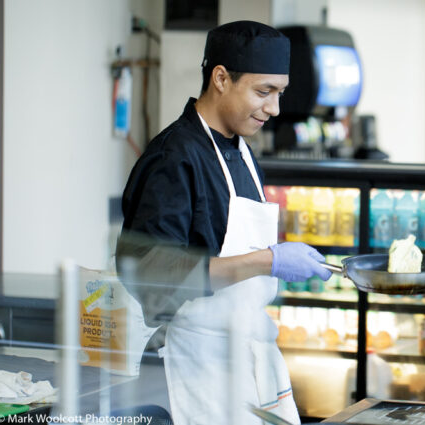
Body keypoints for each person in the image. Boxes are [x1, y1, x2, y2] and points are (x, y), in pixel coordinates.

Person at [116, 21, 331, 425]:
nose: (274, 108)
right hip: (199, 368)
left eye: (279, 93)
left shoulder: (244, 153)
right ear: (220, 78)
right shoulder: (174, 158)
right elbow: (151, 274)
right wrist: (268, 261)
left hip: (249, 360)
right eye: (263, 91)